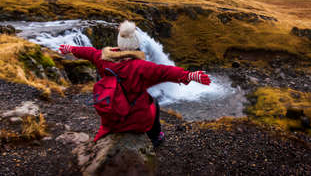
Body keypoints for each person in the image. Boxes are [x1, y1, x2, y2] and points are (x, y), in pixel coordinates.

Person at [59, 21, 211, 147]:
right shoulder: (141, 67)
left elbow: (88, 51)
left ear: (119, 42)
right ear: (136, 44)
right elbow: (165, 71)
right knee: (154, 102)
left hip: (110, 117)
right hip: (133, 121)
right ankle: (156, 137)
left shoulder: (102, 58)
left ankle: (115, 131)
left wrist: (70, 49)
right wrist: (190, 75)